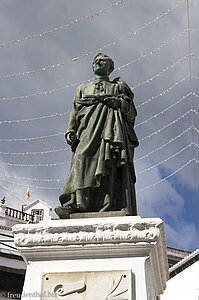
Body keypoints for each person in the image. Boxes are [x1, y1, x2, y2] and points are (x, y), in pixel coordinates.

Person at [55, 53, 139, 218]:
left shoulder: (118, 87)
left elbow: (132, 113)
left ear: (111, 67)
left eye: (102, 61)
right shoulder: (83, 88)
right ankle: (76, 203)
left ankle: (109, 205)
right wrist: (70, 130)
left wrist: (119, 103)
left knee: (110, 164)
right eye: (95, 62)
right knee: (81, 159)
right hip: (87, 131)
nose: (98, 63)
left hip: (111, 131)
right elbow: (74, 111)